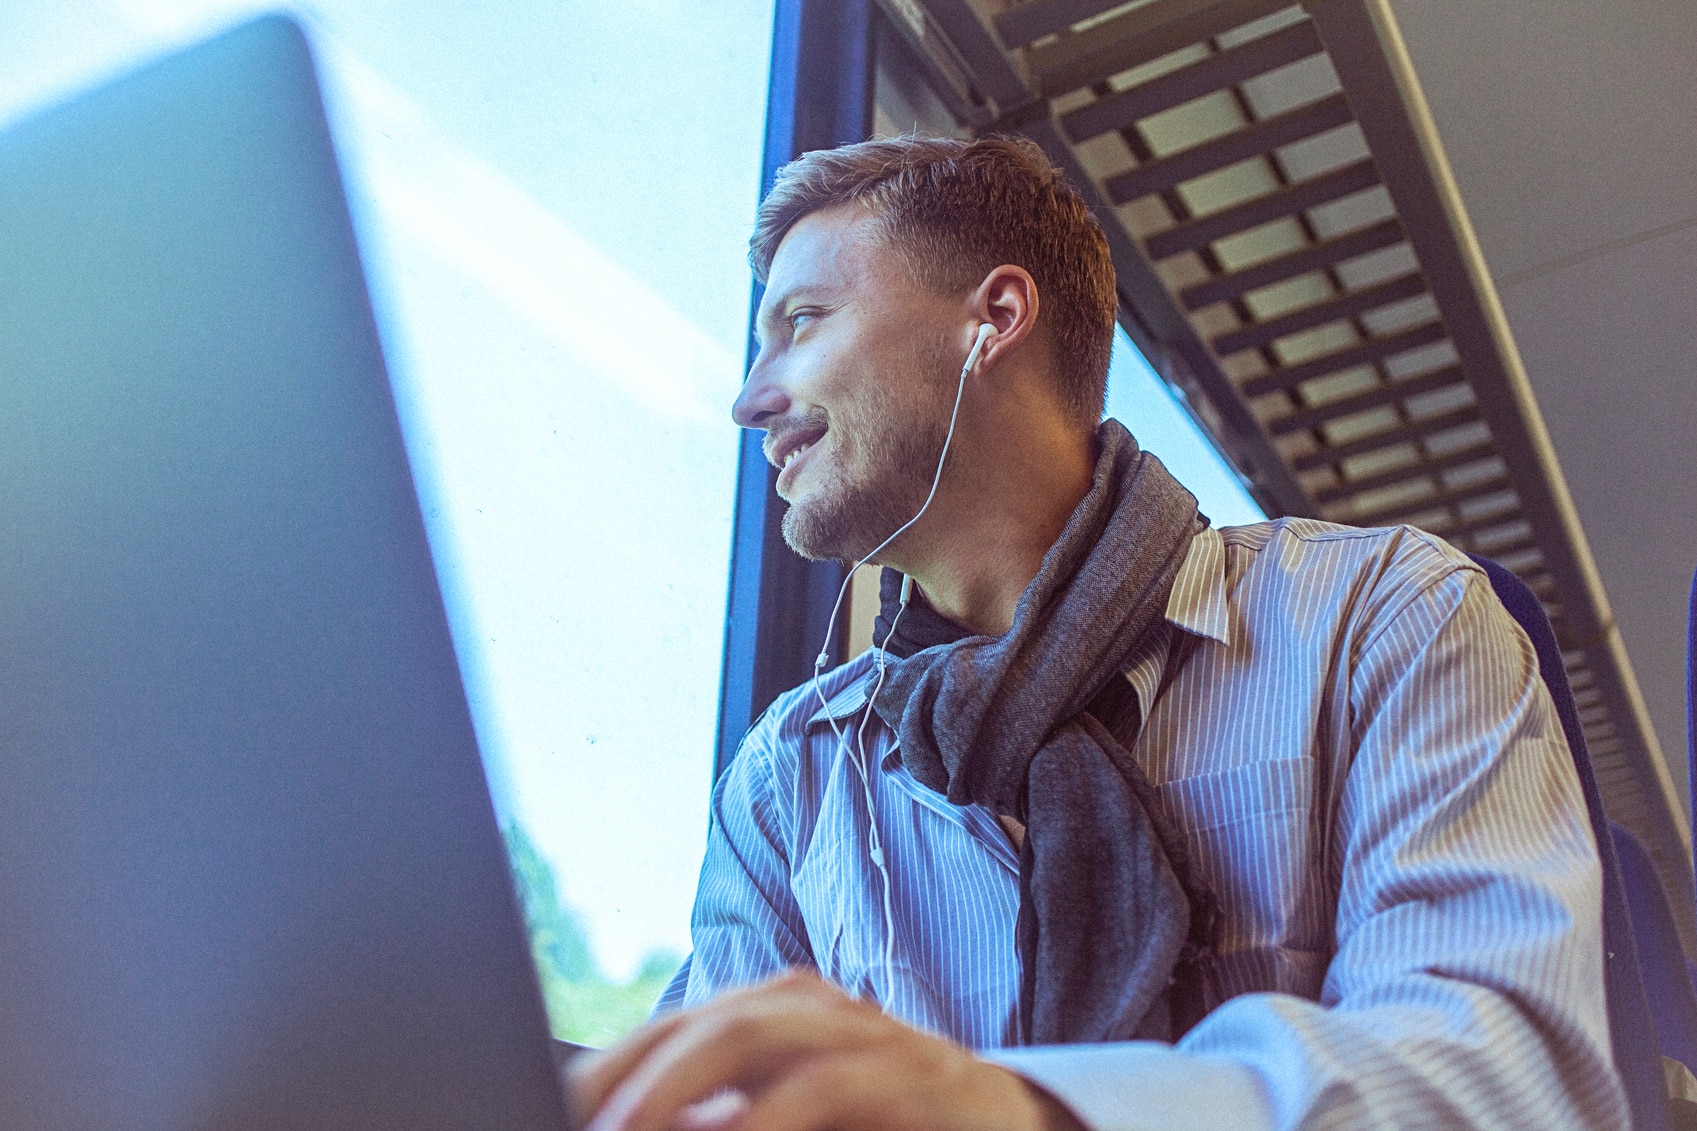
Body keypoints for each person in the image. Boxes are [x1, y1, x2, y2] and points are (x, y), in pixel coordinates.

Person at [569, 135, 1628, 1131]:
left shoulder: (1387, 618)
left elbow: (1507, 1075)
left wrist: (1031, 1113)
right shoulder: (788, 782)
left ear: (993, 317)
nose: (750, 399)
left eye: (799, 323)